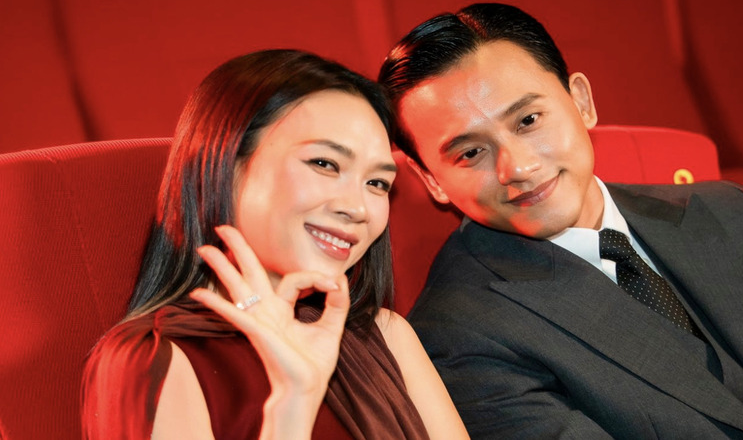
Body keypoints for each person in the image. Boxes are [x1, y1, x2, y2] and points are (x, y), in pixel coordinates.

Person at [378, 2, 743, 440]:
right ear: (432, 180)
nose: (518, 167)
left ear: (581, 102)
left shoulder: (730, 212)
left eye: (528, 121)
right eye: (470, 153)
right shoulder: (458, 339)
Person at [81, 49, 468, 440]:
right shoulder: (155, 358)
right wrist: (293, 403)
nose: (357, 208)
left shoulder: (387, 334)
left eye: (377, 183)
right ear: (224, 165)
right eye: (324, 164)